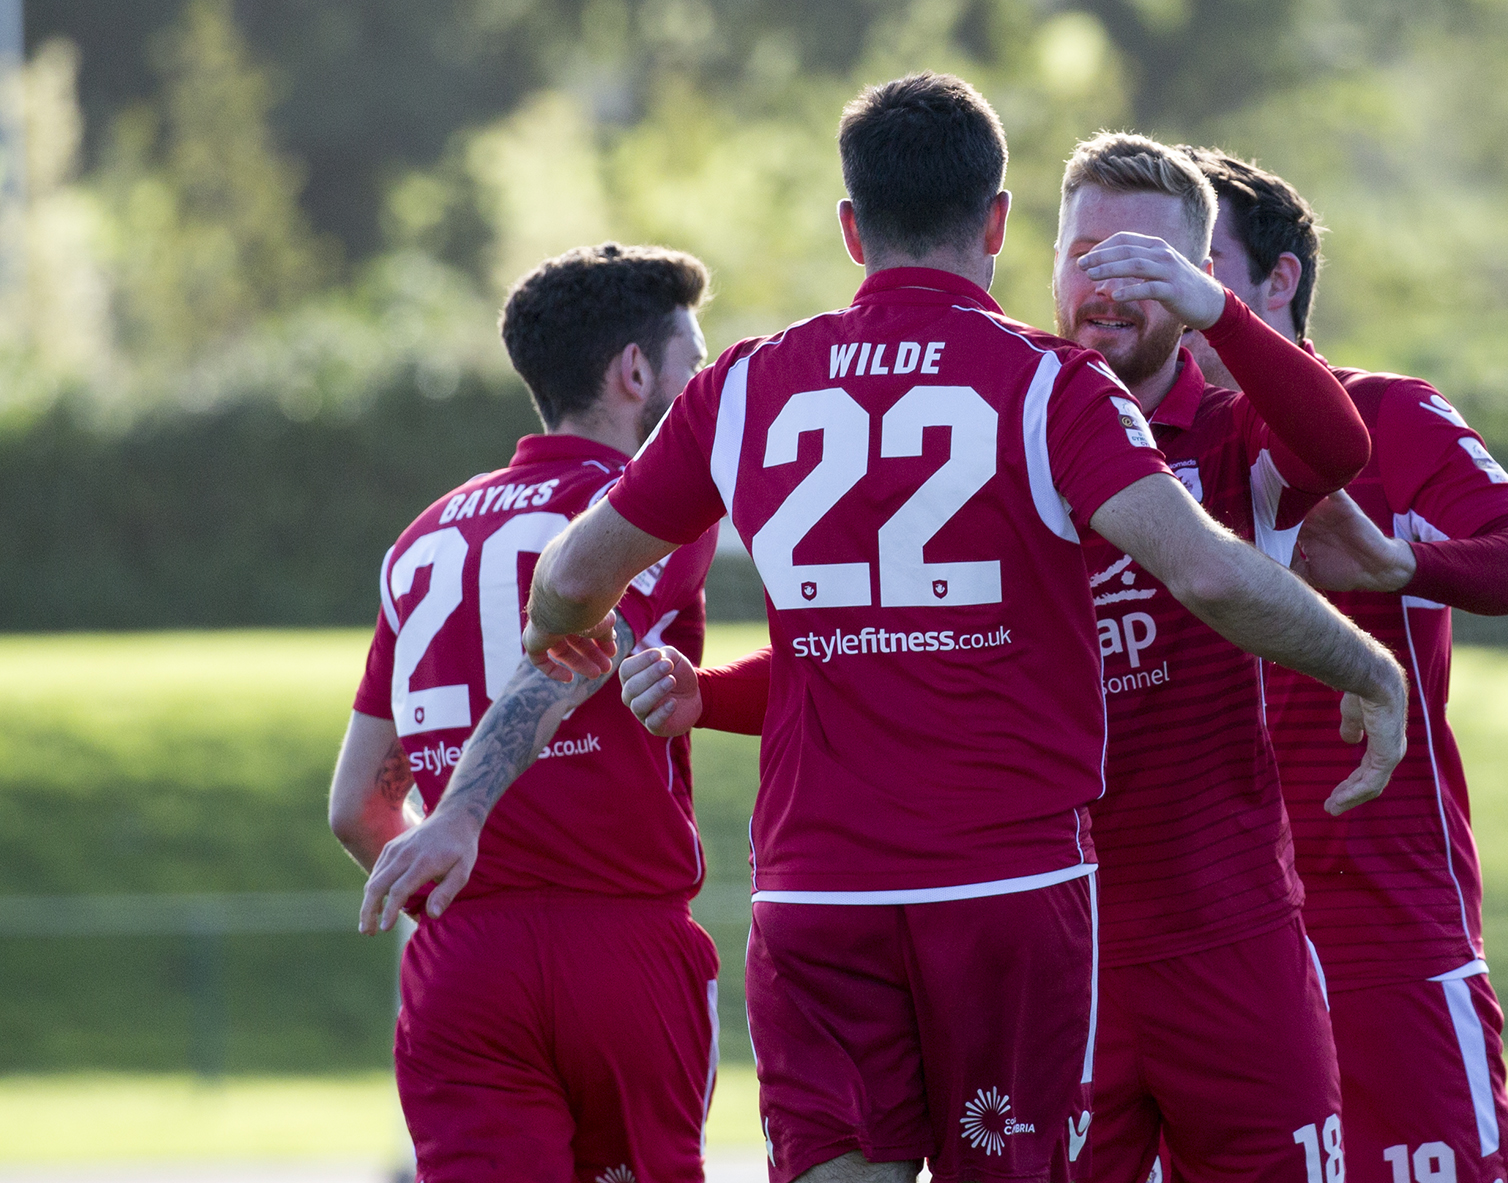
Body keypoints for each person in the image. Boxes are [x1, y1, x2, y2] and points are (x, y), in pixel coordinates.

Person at [518, 73, 1408, 1183]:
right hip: (1006, 895)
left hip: (818, 894)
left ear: (851, 228)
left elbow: (568, 578)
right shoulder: (1046, 387)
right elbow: (1208, 573)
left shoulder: (744, 385)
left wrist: (567, 625)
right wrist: (1365, 659)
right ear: (1000, 224)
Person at [1181, 146, 1508, 1183]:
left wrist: (1403, 561)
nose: (1169, 283)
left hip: (1382, 920)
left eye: (1199, 257)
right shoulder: (1120, 439)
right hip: (1198, 933)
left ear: (1279, 280)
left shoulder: (1388, 414)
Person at [331, 242, 721, 1183]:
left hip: (462, 959)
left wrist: (447, 865)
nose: (703, 389)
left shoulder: (422, 538)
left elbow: (355, 807)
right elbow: (570, 654)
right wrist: (463, 815)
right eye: (694, 365)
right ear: (636, 370)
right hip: (617, 946)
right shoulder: (646, 504)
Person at [1048, 131, 1368, 1183]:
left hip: (1233, 935)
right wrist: (709, 695)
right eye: (1086, 253)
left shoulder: (1233, 436)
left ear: (1187, 281)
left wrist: (1222, 311)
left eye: (1142, 262)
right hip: (1057, 933)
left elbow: (1340, 446)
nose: (1107, 283)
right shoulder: (1011, 431)